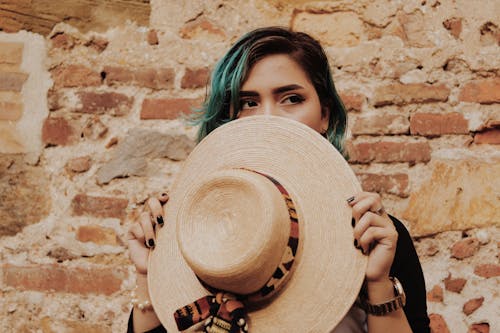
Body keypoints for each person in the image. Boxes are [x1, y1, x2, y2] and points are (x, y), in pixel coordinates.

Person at [126, 27, 430, 333]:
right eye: (248, 102)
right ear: (226, 120)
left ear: (324, 114)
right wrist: (149, 274)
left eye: (291, 98)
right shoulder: (191, 236)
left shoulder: (373, 235)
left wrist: (377, 282)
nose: (267, 117)